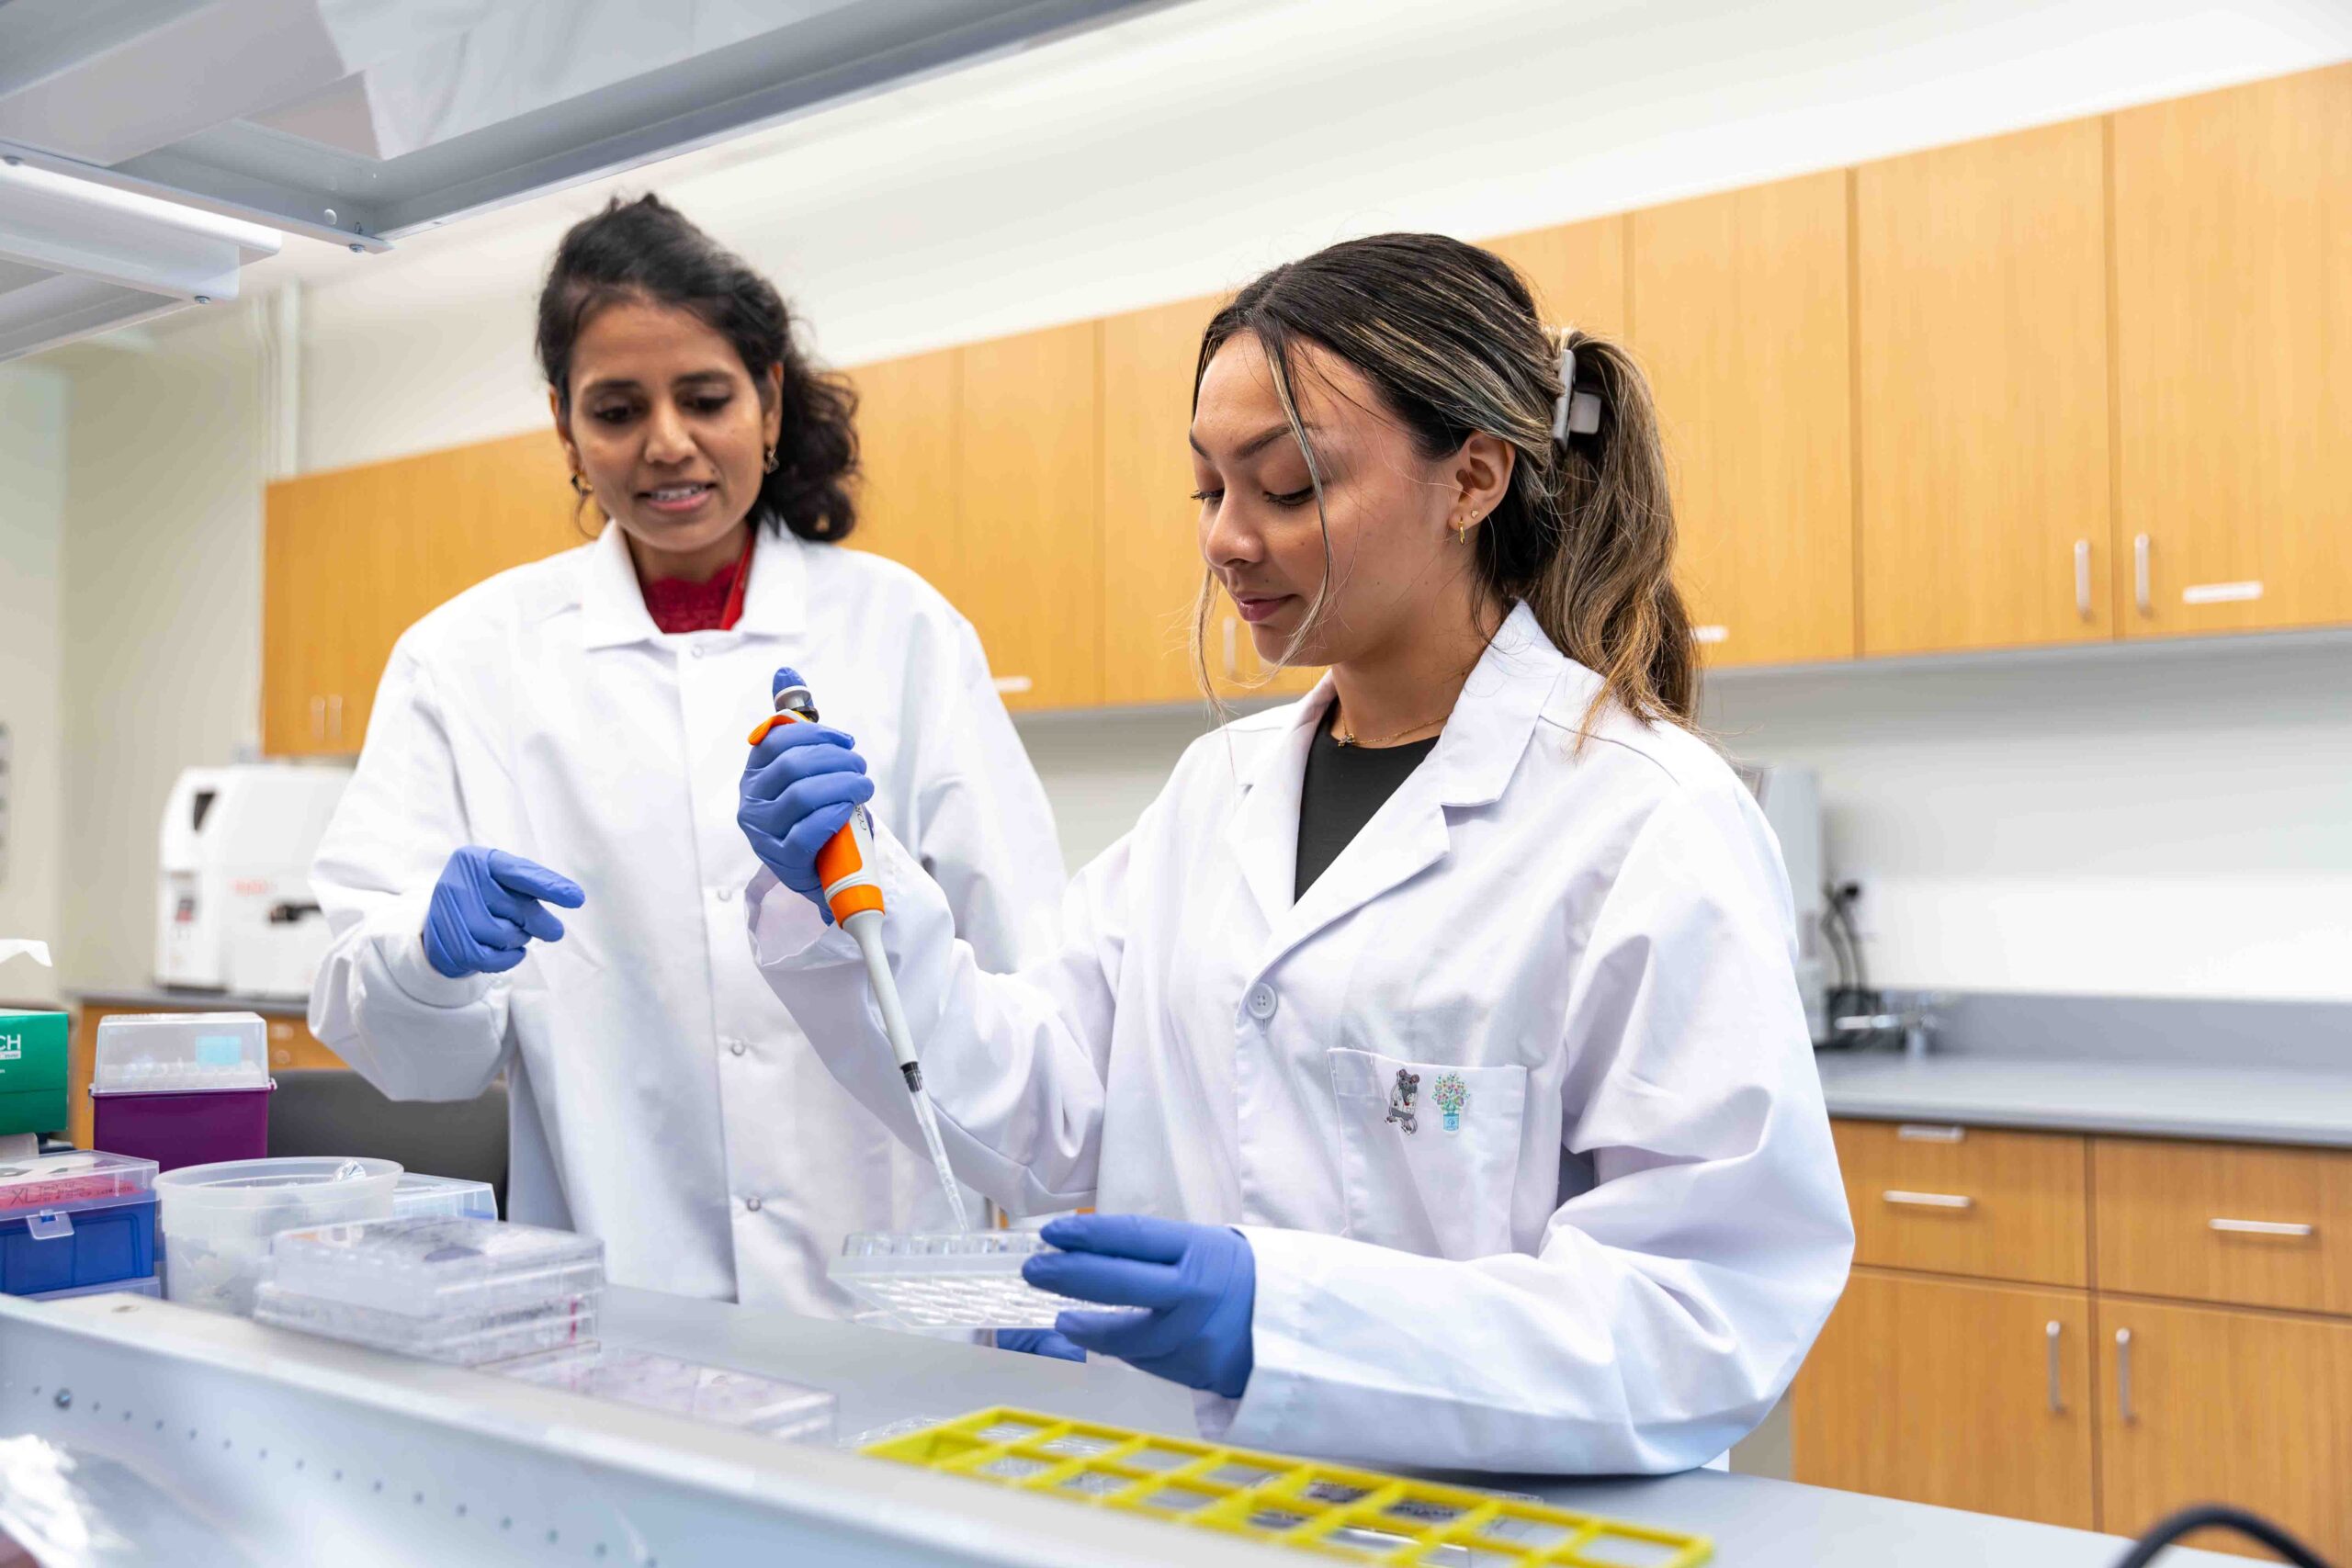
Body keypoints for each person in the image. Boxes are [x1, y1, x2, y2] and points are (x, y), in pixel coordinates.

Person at [735, 231, 1852, 1473]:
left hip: (1486, 1518)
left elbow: (1702, 1314)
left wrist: (1288, 1320)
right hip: (1177, 1494)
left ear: (1473, 477)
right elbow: (1040, 1101)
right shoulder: (1220, 788)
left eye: (1288, 485)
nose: (1225, 539)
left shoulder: (1643, 817)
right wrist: (851, 895)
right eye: (1209, 488)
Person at [310, 195, 1065, 1314]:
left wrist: (1056, 1265)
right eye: (617, 409)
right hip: (612, 1291)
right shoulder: (466, 660)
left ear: (768, 402)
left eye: (705, 398)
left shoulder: (899, 630)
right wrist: (425, 956)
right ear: (566, 430)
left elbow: (1028, 982)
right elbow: (417, 1060)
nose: (666, 442)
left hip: (893, 1294)